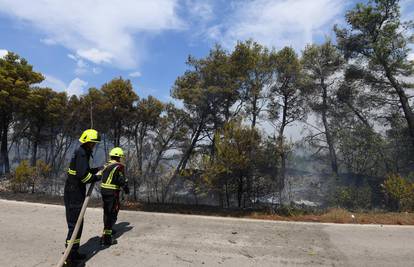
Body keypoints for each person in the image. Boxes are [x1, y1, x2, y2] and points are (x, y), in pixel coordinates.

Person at [63, 129, 102, 266]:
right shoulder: (81, 153)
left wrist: (98, 169)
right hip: (74, 193)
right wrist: (98, 177)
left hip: (75, 191)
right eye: (92, 143)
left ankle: (74, 252)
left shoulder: (83, 152)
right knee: (75, 225)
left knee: (78, 225)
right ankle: (69, 258)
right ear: (87, 141)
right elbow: (84, 177)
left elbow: (84, 171)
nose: (94, 145)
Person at [100, 147, 130, 246]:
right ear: (119, 157)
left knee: (106, 211)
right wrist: (126, 187)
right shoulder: (119, 166)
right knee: (112, 212)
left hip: (104, 191)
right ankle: (107, 238)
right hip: (112, 192)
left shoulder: (106, 165)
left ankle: (108, 230)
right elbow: (121, 180)